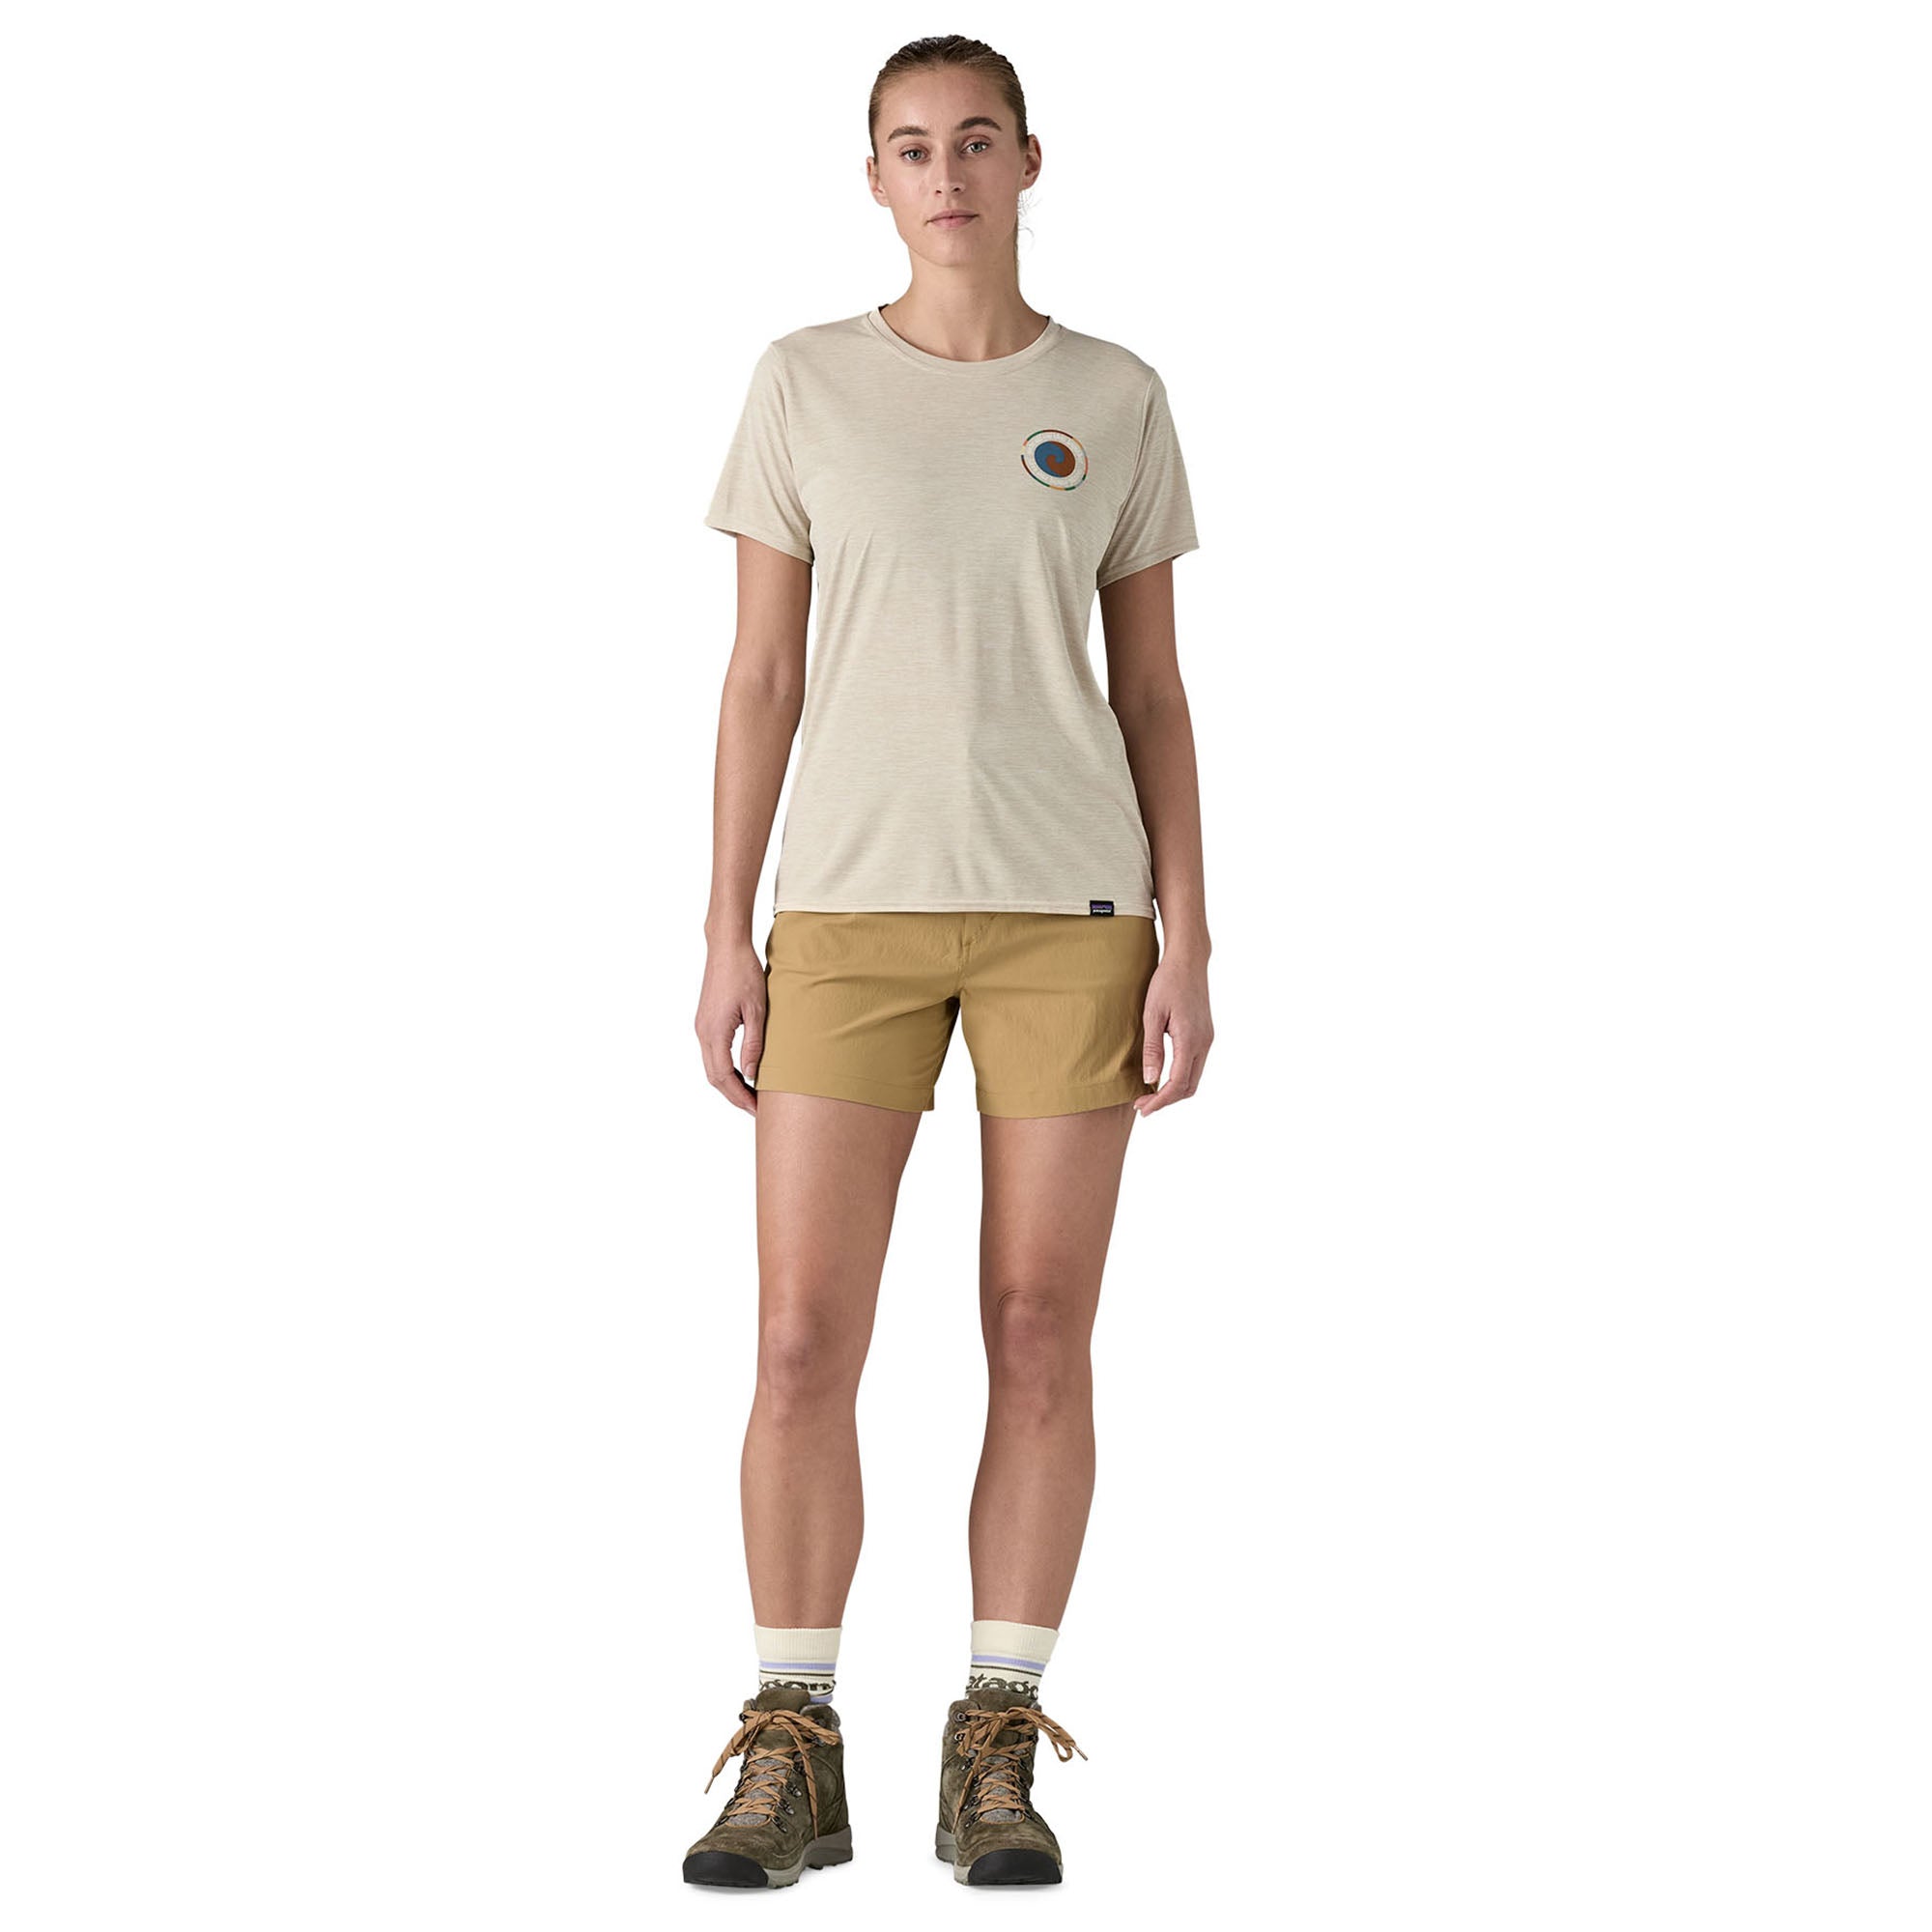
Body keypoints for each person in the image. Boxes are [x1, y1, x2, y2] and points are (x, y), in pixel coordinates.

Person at [685, 35, 1214, 1890]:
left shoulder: (1115, 396)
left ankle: (995, 1745)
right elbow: (761, 673)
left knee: (1038, 1330)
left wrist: (1191, 936)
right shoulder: (803, 382)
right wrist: (725, 926)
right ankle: (791, 1744)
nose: (946, 175)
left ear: (1029, 160)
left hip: (1077, 917)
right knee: (798, 1337)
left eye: (976, 140)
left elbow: (1153, 692)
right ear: (874, 178)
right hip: (845, 915)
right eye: (911, 147)